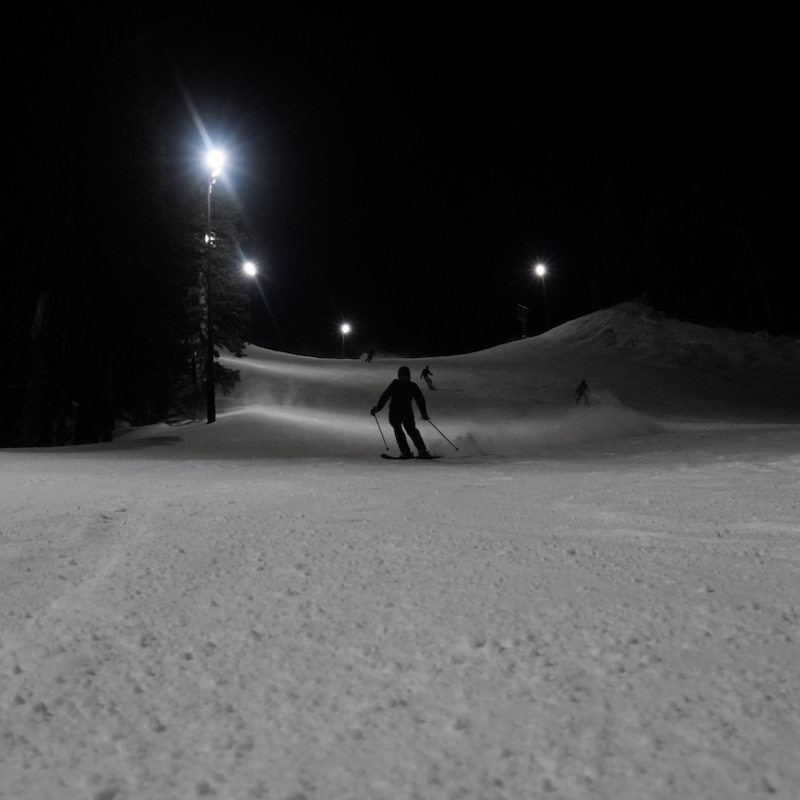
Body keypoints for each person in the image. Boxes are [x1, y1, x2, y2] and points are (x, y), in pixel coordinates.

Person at [371, 366, 433, 459]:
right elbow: (385, 396)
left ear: (409, 376)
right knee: (398, 430)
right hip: (394, 412)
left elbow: (420, 400)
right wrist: (378, 408)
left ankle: (422, 451)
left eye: (406, 375)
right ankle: (406, 452)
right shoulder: (395, 384)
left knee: (411, 429)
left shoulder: (412, 386)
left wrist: (423, 413)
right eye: (402, 375)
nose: (404, 377)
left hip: (407, 411)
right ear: (399, 376)